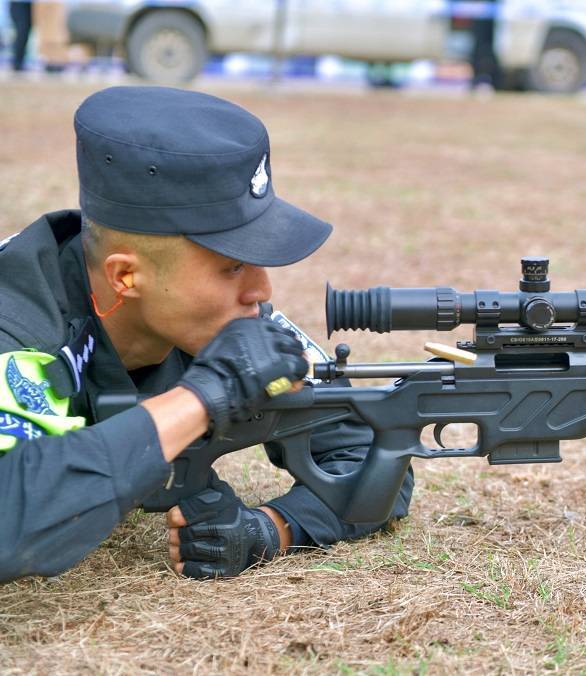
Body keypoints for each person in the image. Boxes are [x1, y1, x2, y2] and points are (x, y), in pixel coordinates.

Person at [0, 86, 413, 581]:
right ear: (125, 277)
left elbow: (368, 453)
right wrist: (202, 399)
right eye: (234, 266)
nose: (261, 291)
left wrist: (271, 530)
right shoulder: (19, 328)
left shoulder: (220, 323)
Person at [8, 0, 31, 72]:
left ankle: (19, 61)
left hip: (30, 4)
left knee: (24, 33)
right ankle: (17, 62)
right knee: (22, 31)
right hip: (18, 4)